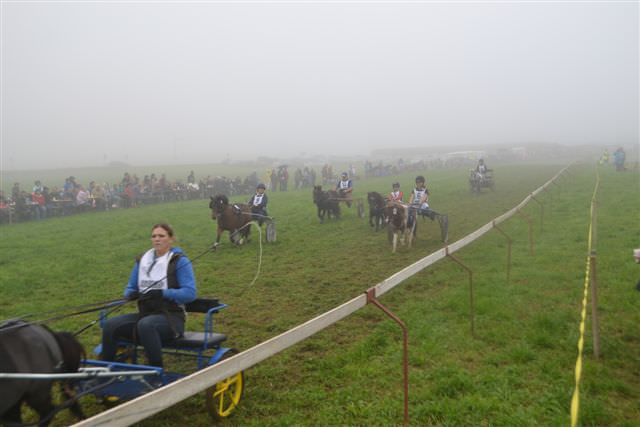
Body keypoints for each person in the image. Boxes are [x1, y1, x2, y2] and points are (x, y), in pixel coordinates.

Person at [101, 223, 197, 369]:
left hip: (171, 318)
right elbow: (130, 287)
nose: (157, 239)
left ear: (171, 239)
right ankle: (106, 371)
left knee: (146, 325)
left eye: (161, 236)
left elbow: (190, 293)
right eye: (154, 236)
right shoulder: (142, 261)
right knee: (110, 325)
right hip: (145, 314)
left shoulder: (179, 261)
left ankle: (156, 372)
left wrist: (162, 293)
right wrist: (131, 294)